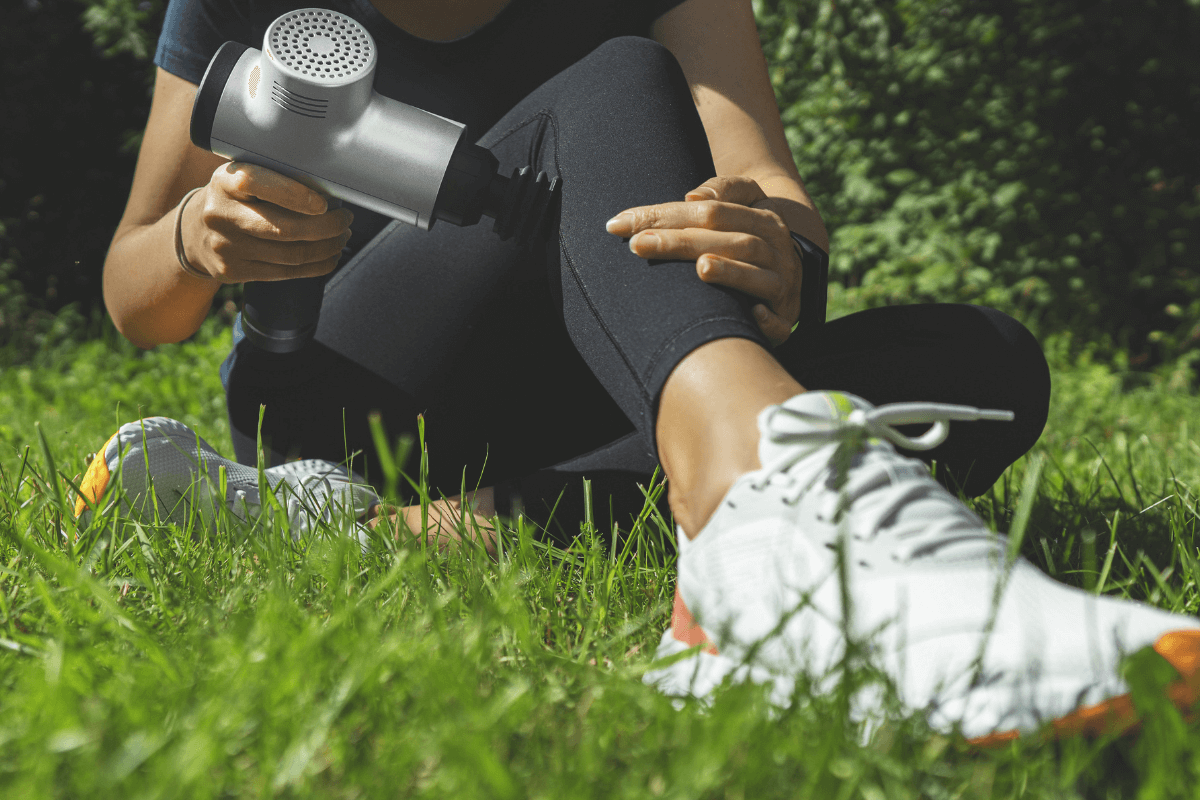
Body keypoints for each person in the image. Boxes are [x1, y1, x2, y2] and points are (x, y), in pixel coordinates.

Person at [94, 0, 1199, 744]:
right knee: (619, 75)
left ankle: (390, 529)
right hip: (358, 392)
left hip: (612, 370)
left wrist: (775, 245)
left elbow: (763, 176)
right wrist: (197, 235)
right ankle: (759, 497)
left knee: (976, 362)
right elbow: (134, 291)